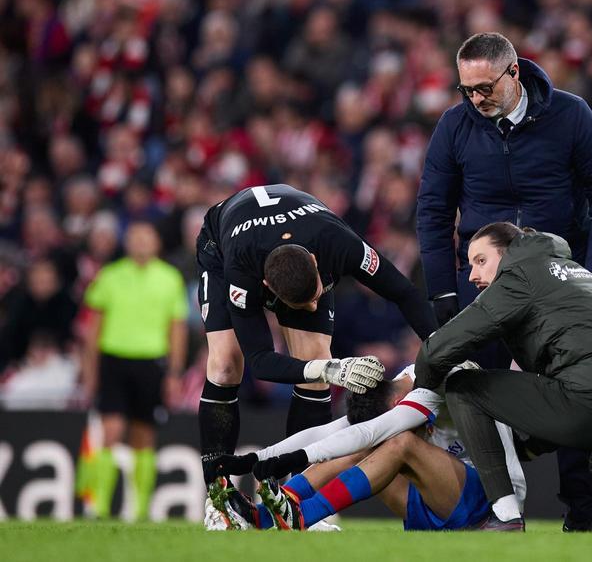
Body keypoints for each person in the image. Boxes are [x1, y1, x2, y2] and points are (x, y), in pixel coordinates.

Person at [416, 31, 592, 531]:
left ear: (514, 73)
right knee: (471, 391)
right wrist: (443, 289)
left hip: (560, 281)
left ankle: (584, 515)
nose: (475, 99)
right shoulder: (455, 125)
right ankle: (494, 512)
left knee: (576, 390)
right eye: (466, 89)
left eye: (485, 87)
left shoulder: (571, 115)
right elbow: (432, 209)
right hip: (482, 282)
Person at [413, 223, 592, 533]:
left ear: (508, 253)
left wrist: (420, 402)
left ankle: (505, 517)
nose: (472, 275)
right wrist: (531, 446)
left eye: (481, 260)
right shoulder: (575, 271)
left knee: (464, 388)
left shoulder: (518, 276)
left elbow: (436, 350)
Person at [196, 183, 437, 486]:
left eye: (316, 295)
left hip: (302, 228)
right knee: (226, 365)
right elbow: (259, 361)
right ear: (268, 289)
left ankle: (299, 497)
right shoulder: (241, 270)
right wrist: (333, 369)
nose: (313, 305)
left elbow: (404, 293)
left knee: (315, 364)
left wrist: (444, 351)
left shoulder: (339, 242)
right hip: (222, 243)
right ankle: (217, 497)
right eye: (303, 303)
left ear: (314, 261)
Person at [204, 363, 526, 532]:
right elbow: (326, 433)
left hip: (486, 503)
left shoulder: (435, 385)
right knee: (364, 443)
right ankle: (265, 518)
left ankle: (304, 516)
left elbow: (374, 432)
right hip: (433, 504)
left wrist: (289, 460)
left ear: (399, 403)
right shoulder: (389, 395)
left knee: (398, 441)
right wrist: (253, 459)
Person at [79, 222, 188, 520]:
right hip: (114, 359)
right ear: (126, 243)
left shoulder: (170, 278)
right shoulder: (110, 276)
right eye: (135, 237)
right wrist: (90, 371)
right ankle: (98, 505)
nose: (140, 242)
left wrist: (174, 373)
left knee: (143, 435)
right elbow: (93, 328)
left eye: (146, 236)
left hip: (152, 362)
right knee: (111, 430)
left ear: (156, 243)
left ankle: (140, 508)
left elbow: (176, 329)